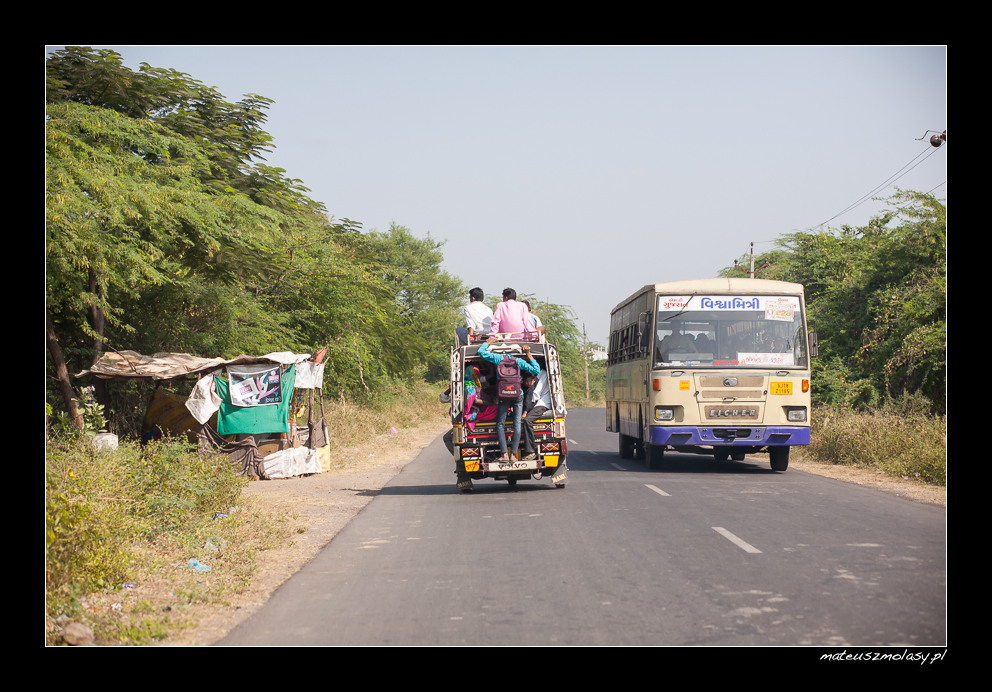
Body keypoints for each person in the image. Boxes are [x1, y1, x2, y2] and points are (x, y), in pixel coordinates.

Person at [478, 335, 539, 461]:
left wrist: (487, 343)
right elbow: (536, 369)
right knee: (517, 424)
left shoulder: (498, 358)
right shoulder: (519, 361)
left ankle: (504, 454)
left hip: (503, 394)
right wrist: (528, 354)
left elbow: (481, 352)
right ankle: (513, 455)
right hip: (518, 395)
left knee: (500, 424)